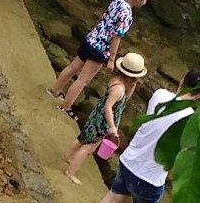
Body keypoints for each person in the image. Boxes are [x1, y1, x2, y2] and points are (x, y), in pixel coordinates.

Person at [89, 69, 200, 203]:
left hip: (130, 161)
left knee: (113, 196)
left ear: (181, 81)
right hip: (151, 176)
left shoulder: (159, 95)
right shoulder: (192, 120)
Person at [48, 0, 151, 114]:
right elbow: (116, 37)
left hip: (91, 38)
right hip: (100, 49)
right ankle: (65, 107)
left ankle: (54, 91)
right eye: (145, 0)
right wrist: (112, 59)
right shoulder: (127, 15)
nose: (145, 3)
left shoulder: (119, 0)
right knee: (82, 81)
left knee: (72, 67)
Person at [63, 52, 147, 184]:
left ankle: (67, 156)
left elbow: (125, 100)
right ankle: (71, 172)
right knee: (88, 149)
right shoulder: (118, 89)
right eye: (135, 78)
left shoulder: (117, 81)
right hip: (101, 123)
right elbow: (108, 106)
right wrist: (112, 127)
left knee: (82, 138)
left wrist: (131, 88)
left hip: (96, 117)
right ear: (131, 77)